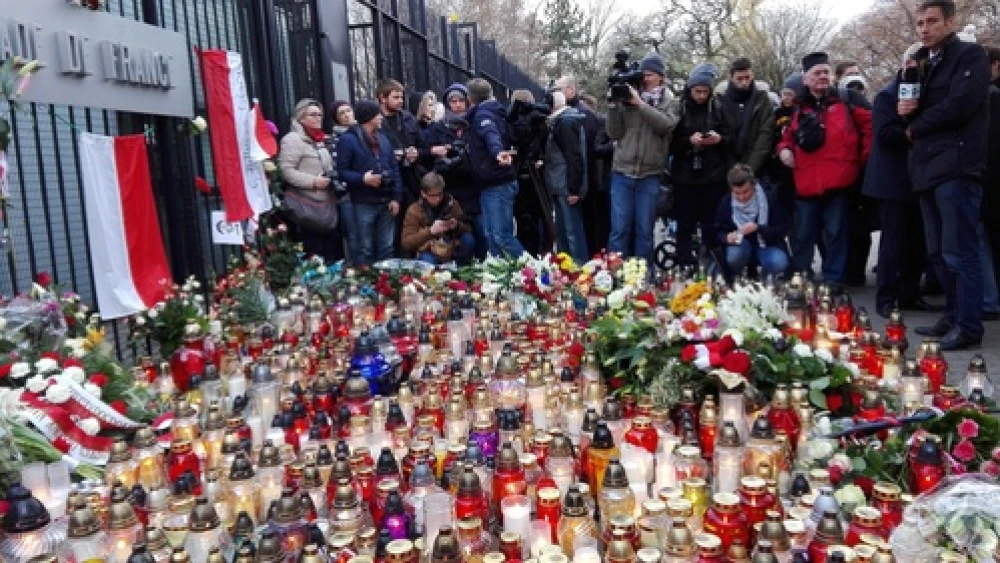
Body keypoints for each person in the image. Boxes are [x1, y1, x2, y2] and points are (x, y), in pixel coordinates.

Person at [901, 0, 990, 350]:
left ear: (950, 22)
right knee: (938, 251)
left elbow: (962, 103)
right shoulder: (923, 63)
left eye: (932, 21)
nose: (924, 28)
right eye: (920, 23)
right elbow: (913, 108)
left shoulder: (970, 56)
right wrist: (906, 110)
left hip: (956, 166)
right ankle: (952, 316)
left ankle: (969, 326)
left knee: (960, 251)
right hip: (927, 168)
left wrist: (916, 124)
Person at [776, 51, 872, 289]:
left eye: (826, 72)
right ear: (805, 79)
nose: (822, 77)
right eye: (816, 73)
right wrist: (784, 150)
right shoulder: (799, 107)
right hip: (806, 182)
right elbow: (787, 137)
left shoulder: (848, 100)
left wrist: (860, 164)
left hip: (839, 182)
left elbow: (870, 131)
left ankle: (833, 279)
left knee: (836, 233)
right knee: (803, 234)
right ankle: (801, 277)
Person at [862, 45, 938, 318]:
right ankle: (886, 297)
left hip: (918, 178)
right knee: (893, 243)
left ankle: (909, 294)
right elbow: (885, 134)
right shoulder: (887, 94)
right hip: (892, 181)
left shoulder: (926, 94)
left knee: (917, 242)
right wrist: (918, 131)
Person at [606, 50, 681, 267]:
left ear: (661, 77)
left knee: (644, 231)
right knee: (619, 230)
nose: (645, 79)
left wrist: (641, 105)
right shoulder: (627, 97)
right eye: (643, 75)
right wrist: (613, 106)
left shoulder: (670, 102)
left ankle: (642, 279)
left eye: (650, 75)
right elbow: (614, 133)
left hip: (650, 174)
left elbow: (666, 126)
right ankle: (613, 276)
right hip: (622, 172)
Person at [670, 63, 730, 267]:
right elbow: (668, 144)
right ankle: (684, 265)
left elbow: (731, 140)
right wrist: (689, 141)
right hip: (685, 177)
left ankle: (710, 265)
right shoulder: (680, 109)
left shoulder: (719, 108)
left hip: (712, 176)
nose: (701, 96)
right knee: (684, 226)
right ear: (690, 89)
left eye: (705, 91)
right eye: (697, 91)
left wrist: (719, 139)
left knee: (711, 225)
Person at [336, 100, 404, 267]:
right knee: (365, 248)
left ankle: (386, 283)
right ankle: (366, 284)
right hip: (363, 202)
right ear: (369, 117)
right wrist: (362, 179)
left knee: (386, 248)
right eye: (377, 114)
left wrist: (396, 197)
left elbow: (394, 169)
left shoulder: (383, 138)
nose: (380, 117)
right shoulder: (348, 140)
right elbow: (341, 172)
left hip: (386, 200)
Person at [464, 78, 525, 258]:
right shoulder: (496, 111)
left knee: (501, 236)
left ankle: (532, 272)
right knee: (492, 236)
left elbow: (490, 135)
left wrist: (497, 152)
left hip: (497, 182)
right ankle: (501, 275)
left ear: (470, 98)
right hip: (493, 182)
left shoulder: (483, 115)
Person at [425, 83, 486, 258]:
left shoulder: (474, 124)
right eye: (453, 101)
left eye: (461, 100)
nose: (457, 105)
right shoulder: (438, 128)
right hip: (451, 190)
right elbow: (429, 153)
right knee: (460, 236)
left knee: (482, 232)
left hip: (474, 187)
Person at [278, 99, 342, 262]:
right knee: (313, 256)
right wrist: (313, 181)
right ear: (300, 118)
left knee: (329, 254)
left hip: (325, 205)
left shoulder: (319, 139)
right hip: (305, 208)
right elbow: (286, 171)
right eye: (313, 115)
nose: (318, 118)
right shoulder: (292, 140)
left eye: (320, 114)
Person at [555, 75, 611, 255]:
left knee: (583, 229)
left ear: (571, 90)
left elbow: (581, 153)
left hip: (583, 181)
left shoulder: (580, 115)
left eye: (559, 90)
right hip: (582, 179)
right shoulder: (576, 113)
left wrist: (576, 186)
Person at [714, 164, 790, 280]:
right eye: (737, 193)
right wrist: (726, 237)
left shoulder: (769, 198)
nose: (742, 197)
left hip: (766, 246)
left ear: (754, 185)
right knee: (734, 256)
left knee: (779, 262)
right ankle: (736, 279)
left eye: (746, 192)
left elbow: (782, 229)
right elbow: (717, 230)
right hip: (740, 248)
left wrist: (759, 228)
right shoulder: (726, 202)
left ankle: (766, 282)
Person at [542, 90, 589, 264]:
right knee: (564, 233)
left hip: (565, 186)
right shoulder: (562, 122)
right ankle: (569, 269)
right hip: (561, 184)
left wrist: (574, 189)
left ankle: (578, 269)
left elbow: (574, 157)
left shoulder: (566, 123)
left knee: (572, 233)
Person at [401, 172, 475, 264]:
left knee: (469, 240)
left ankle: (460, 270)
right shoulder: (414, 210)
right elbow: (406, 244)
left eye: (440, 194)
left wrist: (456, 225)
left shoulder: (451, 203)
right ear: (423, 194)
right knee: (427, 260)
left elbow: (468, 228)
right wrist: (430, 231)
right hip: (428, 250)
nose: (438, 198)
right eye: (433, 195)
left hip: (450, 246)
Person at [719, 58, 775, 177]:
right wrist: (732, 169)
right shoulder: (720, 101)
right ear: (731, 77)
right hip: (726, 169)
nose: (744, 82)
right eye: (739, 78)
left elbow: (765, 135)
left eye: (747, 78)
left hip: (757, 168)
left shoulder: (762, 100)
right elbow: (722, 135)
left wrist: (750, 169)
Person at [327, 100, 359, 266]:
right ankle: (357, 267)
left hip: (365, 191)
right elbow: (335, 168)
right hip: (347, 193)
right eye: (342, 113)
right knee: (352, 233)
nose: (347, 115)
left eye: (349, 110)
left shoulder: (362, 133)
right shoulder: (334, 140)